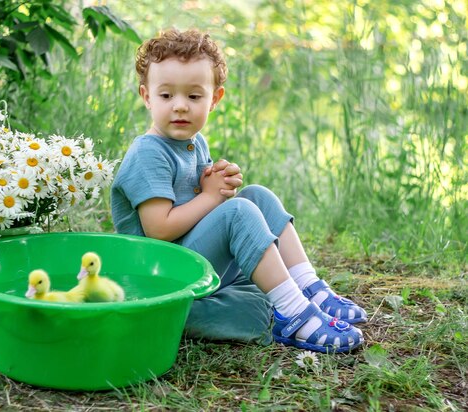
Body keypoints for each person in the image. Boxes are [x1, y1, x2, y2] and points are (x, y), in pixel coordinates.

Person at [111, 28, 367, 353]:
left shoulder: (192, 141)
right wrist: (210, 197)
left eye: (193, 96)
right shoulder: (148, 153)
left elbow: (199, 201)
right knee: (238, 212)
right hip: (159, 272)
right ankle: (294, 313)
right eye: (166, 96)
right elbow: (159, 229)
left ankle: (309, 287)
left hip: (187, 258)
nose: (180, 107)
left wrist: (214, 182)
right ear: (147, 96)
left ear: (214, 99)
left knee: (256, 196)